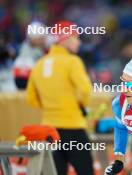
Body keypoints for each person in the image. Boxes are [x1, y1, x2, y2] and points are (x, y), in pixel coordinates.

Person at [26, 20, 94, 175]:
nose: (79, 42)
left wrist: (51, 107)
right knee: (86, 171)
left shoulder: (39, 64)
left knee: (55, 172)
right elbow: (85, 90)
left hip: (49, 130)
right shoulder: (72, 62)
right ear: (66, 39)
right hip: (73, 127)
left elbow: (31, 98)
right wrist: (80, 106)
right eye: (76, 37)